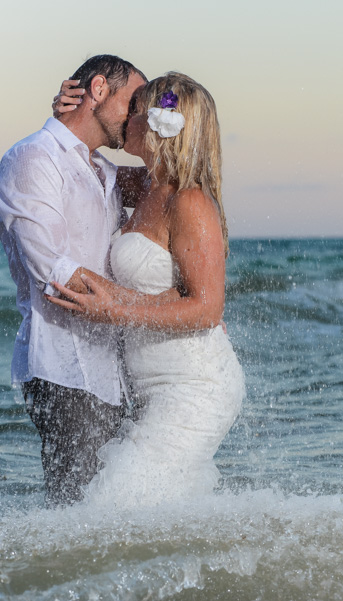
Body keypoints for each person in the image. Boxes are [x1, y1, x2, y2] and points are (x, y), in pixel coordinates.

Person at [47, 72, 244, 507]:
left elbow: (207, 309)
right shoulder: (147, 185)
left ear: (156, 123)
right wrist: (68, 117)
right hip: (153, 388)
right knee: (153, 515)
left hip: (194, 387)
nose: (126, 118)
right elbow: (79, 169)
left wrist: (114, 309)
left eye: (134, 109)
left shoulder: (189, 201)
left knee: (111, 509)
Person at [0, 55, 150, 506]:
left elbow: (174, 177)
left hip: (113, 371)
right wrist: (156, 313)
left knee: (110, 513)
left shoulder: (104, 171)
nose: (139, 114)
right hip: (63, 370)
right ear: (98, 89)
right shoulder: (32, 159)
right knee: (74, 517)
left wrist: (172, 110)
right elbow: (54, 274)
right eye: (133, 102)